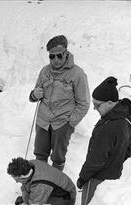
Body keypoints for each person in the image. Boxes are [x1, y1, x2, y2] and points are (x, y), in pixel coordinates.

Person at [74, 76, 131, 205]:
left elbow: (96, 159)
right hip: (114, 171)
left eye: (97, 105)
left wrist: (83, 178)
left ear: (110, 103)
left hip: (98, 174)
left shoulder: (109, 127)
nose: (95, 109)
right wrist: (120, 158)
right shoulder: (129, 114)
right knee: (102, 203)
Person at [29, 35, 90, 171]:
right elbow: (34, 95)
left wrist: (70, 123)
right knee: (40, 154)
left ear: (66, 53)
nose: (55, 60)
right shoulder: (45, 71)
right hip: (43, 121)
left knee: (58, 157)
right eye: (52, 56)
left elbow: (84, 103)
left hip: (62, 123)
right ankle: (40, 183)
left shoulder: (78, 74)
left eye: (59, 56)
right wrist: (34, 94)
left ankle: (54, 185)